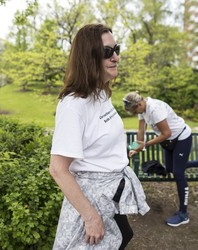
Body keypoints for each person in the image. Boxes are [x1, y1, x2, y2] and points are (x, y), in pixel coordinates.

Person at [49, 24, 150, 249]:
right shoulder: (74, 105)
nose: (116, 57)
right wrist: (90, 217)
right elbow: (57, 169)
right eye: (107, 52)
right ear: (89, 57)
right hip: (91, 201)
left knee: (124, 235)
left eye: (116, 49)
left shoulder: (100, 93)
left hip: (109, 195)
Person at [123, 91, 198, 227]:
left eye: (134, 110)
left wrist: (146, 144)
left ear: (138, 104)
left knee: (178, 173)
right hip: (168, 142)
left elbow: (167, 133)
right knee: (170, 169)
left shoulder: (155, 109)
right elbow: (141, 132)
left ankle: (184, 214)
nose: (134, 113)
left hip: (181, 138)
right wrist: (134, 147)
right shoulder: (141, 109)